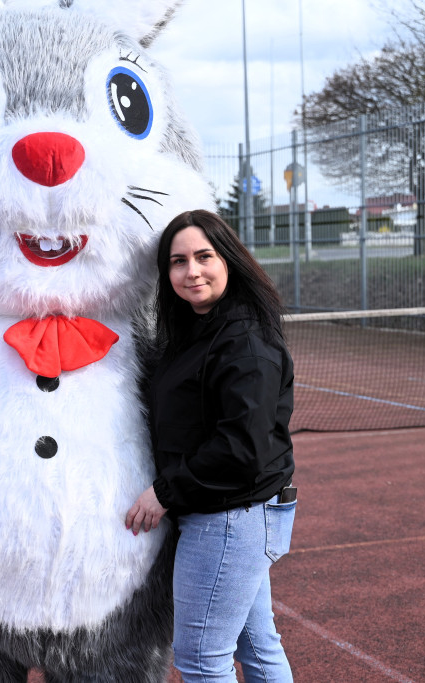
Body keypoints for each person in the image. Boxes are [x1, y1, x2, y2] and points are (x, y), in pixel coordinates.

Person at [124, 209, 297, 683]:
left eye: (204, 256)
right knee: (258, 646)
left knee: (202, 659)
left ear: (229, 260)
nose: (191, 271)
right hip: (231, 515)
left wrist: (163, 492)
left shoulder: (245, 340)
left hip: (228, 518)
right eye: (178, 262)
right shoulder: (196, 330)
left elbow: (242, 447)